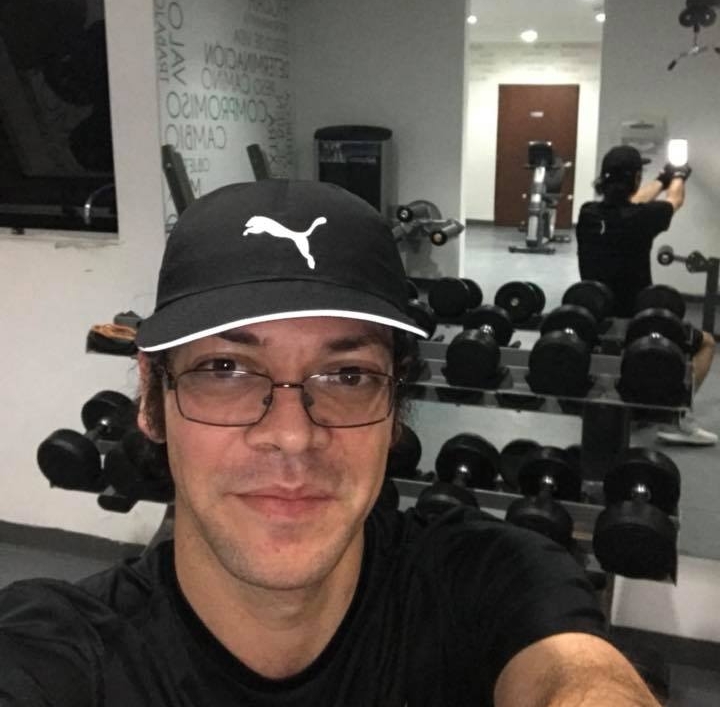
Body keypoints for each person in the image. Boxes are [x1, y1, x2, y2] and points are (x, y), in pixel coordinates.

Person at [1, 180, 663, 706]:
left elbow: (576, 677)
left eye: (348, 375)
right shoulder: (61, 653)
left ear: (395, 408)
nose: (293, 435)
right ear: (151, 399)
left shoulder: (491, 581)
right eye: (225, 369)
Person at [576, 144, 717, 446]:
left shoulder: (588, 215)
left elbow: (632, 204)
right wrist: (678, 177)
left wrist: (662, 178)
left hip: (596, 320)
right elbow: (675, 200)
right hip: (640, 324)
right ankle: (678, 417)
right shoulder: (643, 219)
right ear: (636, 179)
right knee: (706, 342)